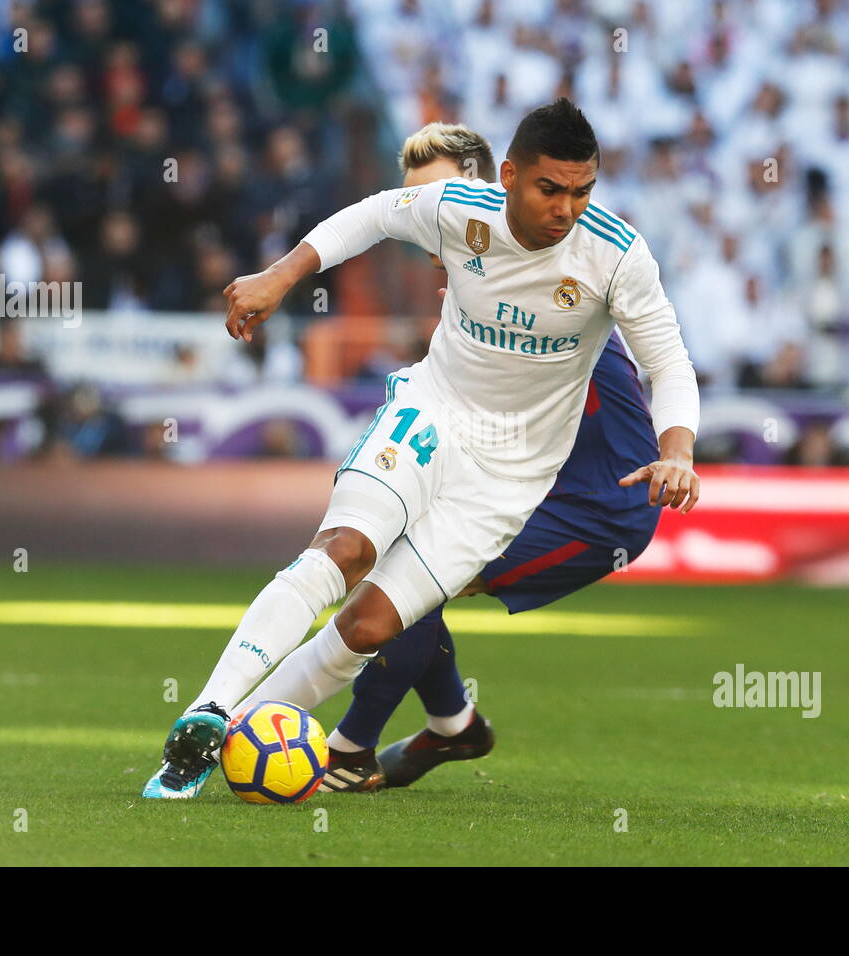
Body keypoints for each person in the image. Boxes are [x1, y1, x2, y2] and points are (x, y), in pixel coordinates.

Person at [143, 98, 700, 800]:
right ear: (509, 176)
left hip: (509, 480)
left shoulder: (616, 256)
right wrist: (281, 276)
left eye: (582, 191)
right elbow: (372, 215)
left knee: (372, 621)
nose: (566, 209)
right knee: (344, 548)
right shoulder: (461, 210)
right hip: (431, 417)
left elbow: (671, 364)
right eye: (549, 189)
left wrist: (677, 450)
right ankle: (209, 714)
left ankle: (245, 732)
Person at [315, 122, 665, 792]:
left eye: (439, 197)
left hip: (599, 507)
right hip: (531, 485)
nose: (427, 220)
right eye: (413, 201)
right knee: (411, 576)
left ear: (490, 191)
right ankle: (452, 724)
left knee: (410, 586)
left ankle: (351, 751)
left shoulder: (556, 285)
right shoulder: (484, 283)